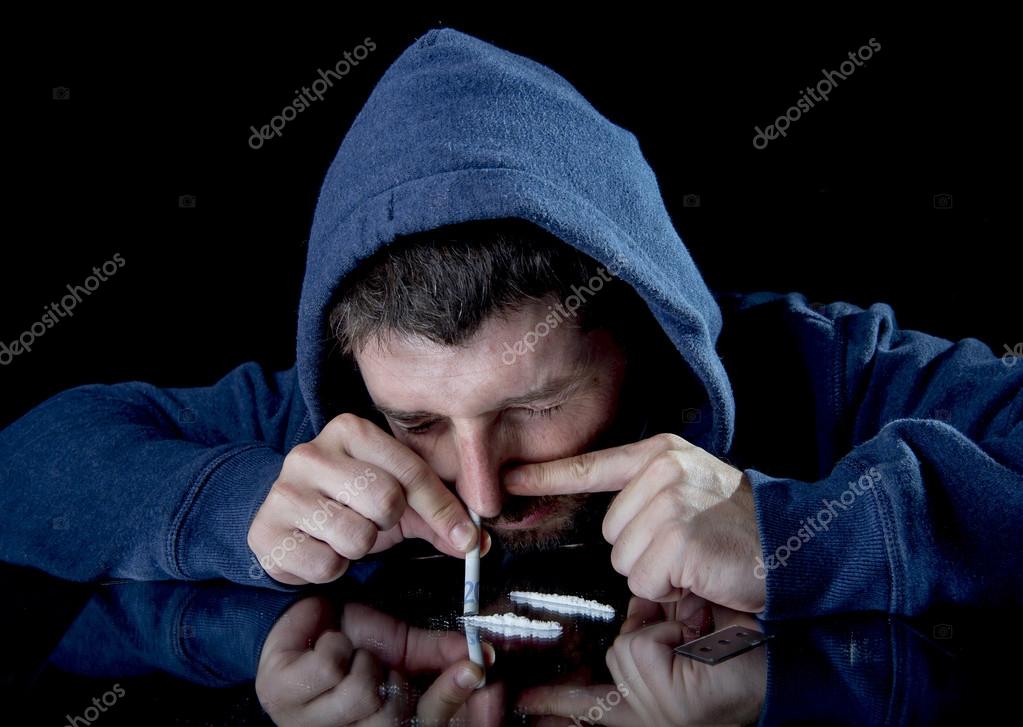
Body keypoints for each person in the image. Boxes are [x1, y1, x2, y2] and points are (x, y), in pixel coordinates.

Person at [2, 28, 1020, 624]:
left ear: (643, 340)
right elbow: (24, 463)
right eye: (420, 423)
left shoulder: (820, 367)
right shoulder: (323, 434)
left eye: (533, 405)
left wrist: (807, 535)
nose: (478, 492)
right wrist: (236, 501)